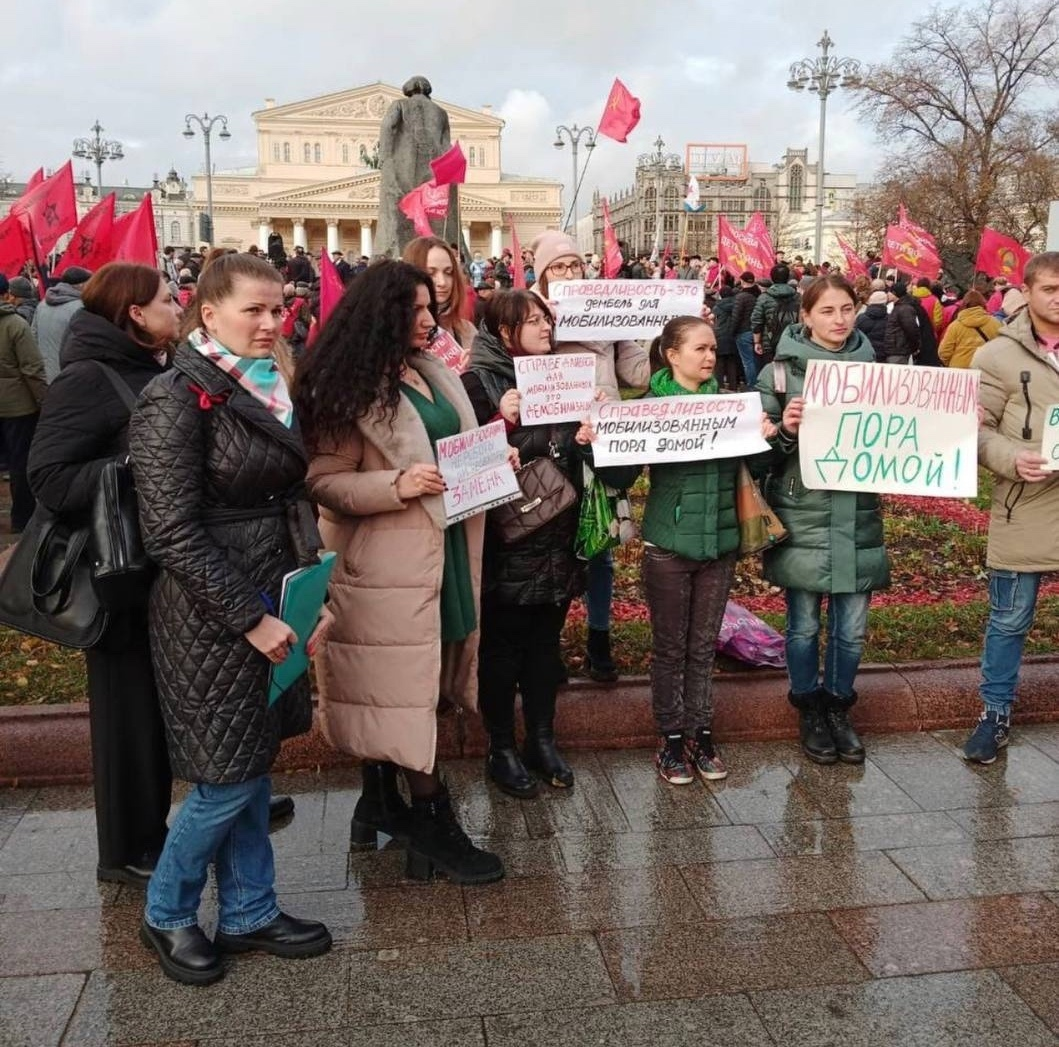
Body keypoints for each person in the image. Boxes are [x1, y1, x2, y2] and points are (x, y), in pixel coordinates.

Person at [129, 253, 333, 985]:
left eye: (279, 308)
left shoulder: (270, 383)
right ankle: (167, 909)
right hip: (208, 617)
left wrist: (312, 591)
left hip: (272, 597)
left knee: (248, 765)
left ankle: (248, 908)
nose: (273, 323)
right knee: (222, 779)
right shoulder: (174, 397)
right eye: (255, 309)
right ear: (207, 313)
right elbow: (171, 531)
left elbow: (291, 493)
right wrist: (250, 617)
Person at [294, 259, 503, 885]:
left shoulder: (431, 370)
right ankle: (431, 818)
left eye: (428, 307)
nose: (426, 319)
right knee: (402, 690)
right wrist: (396, 483)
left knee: (420, 681)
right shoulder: (345, 389)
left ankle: (377, 801)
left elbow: (449, 447)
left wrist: (492, 454)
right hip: (385, 567)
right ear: (377, 317)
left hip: (441, 556)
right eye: (411, 310)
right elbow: (321, 482)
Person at [27, 264, 182, 888]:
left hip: (158, 562)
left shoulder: (151, 368)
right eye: (169, 300)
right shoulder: (89, 377)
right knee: (127, 712)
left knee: (160, 701)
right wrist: (136, 467)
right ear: (135, 314)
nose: (180, 307)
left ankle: (166, 823)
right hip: (115, 569)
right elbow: (49, 477)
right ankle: (127, 847)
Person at [583, 317, 777, 784]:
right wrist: (597, 445)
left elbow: (760, 469)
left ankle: (702, 735)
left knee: (702, 646)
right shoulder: (648, 408)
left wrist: (769, 437)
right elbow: (619, 480)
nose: (711, 357)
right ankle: (671, 739)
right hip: (668, 546)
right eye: (700, 349)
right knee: (670, 649)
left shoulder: (733, 407)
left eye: (713, 348)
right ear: (671, 355)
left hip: (721, 543)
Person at [756, 276, 891, 765]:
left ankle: (839, 706)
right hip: (803, 513)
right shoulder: (777, 375)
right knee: (803, 626)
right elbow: (756, 456)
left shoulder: (881, 372)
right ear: (805, 316)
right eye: (828, 310)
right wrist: (785, 431)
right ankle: (808, 706)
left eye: (847, 308)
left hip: (857, 512)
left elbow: (905, 436)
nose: (840, 319)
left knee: (852, 629)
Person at [462, 290, 586, 797]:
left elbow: (580, 458)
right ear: (501, 330)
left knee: (543, 647)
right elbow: (463, 465)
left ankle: (541, 738)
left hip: (558, 534)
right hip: (507, 541)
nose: (544, 329)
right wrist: (502, 424)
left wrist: (590, 431)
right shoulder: (477, 382)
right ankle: (501, 747)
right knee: (503, 650)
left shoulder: (563, 376)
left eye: (546, 319)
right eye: (530, 321)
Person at [529, 230, 651, 681]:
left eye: (574, 265)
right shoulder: (532, 311)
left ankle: (600, 638)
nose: (567, 273)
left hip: (604, 441)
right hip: (552, 445)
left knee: (601, 544)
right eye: (556, 267)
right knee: (556, 543)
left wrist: (669, 338)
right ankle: (551, 646)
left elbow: (636, 370)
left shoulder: (605, 305)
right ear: (541, 273)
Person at [963, 252, 1059, 763]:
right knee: (1009, 619)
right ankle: (994, 713)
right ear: (1026, 291)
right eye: (1050, 288)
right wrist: (1010, 458)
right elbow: (975, 430)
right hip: (1025, 504)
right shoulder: (997, 356)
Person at [0, 274, 47, 532]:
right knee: (20, 464)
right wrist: (44, 401)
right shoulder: (15, 325)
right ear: (7, 294)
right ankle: (22, 519)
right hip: (18, 407)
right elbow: (32, 368)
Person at [402, 236, 476, 358]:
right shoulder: (397, 336)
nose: (442, 282)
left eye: (448, 273)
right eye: (431, 273)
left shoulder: (467, 331)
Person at [31, 265, 91, 382]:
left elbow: (33, 338)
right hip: (72, 378)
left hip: (46, 376)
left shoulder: (42, 305)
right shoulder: (81, 309)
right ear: (82, 285)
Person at [751, 263, 800, 374]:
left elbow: (756, 321)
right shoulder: (798, 297)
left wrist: (757, 342)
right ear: (788, 278)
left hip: (770, 342)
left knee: (772, 375)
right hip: (794, 341)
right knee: (791, 375)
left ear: (772, 277)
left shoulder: (764, 297)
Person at [938, 290, 1002, 368]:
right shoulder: (995, 324)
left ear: (964, 304)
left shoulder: (955, 326)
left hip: (959, 372)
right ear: (983, 304)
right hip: (985, 371)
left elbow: (943, 352)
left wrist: (951, 365)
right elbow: (1000, 350)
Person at [731, 270, 760, 388]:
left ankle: (752, 386)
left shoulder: (741, 297)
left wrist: (732, 332)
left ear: (742, 281)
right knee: (757, 361)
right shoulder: (759, 294)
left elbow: (736, 316)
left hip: (743, 332)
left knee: (748, 362)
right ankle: (759, 384)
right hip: (757, 332)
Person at [855, 289, 890, 361]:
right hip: (884, 354)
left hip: (865, 353)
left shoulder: (862, 317)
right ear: (884, 302)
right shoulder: (890, 318)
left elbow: (856, 336)